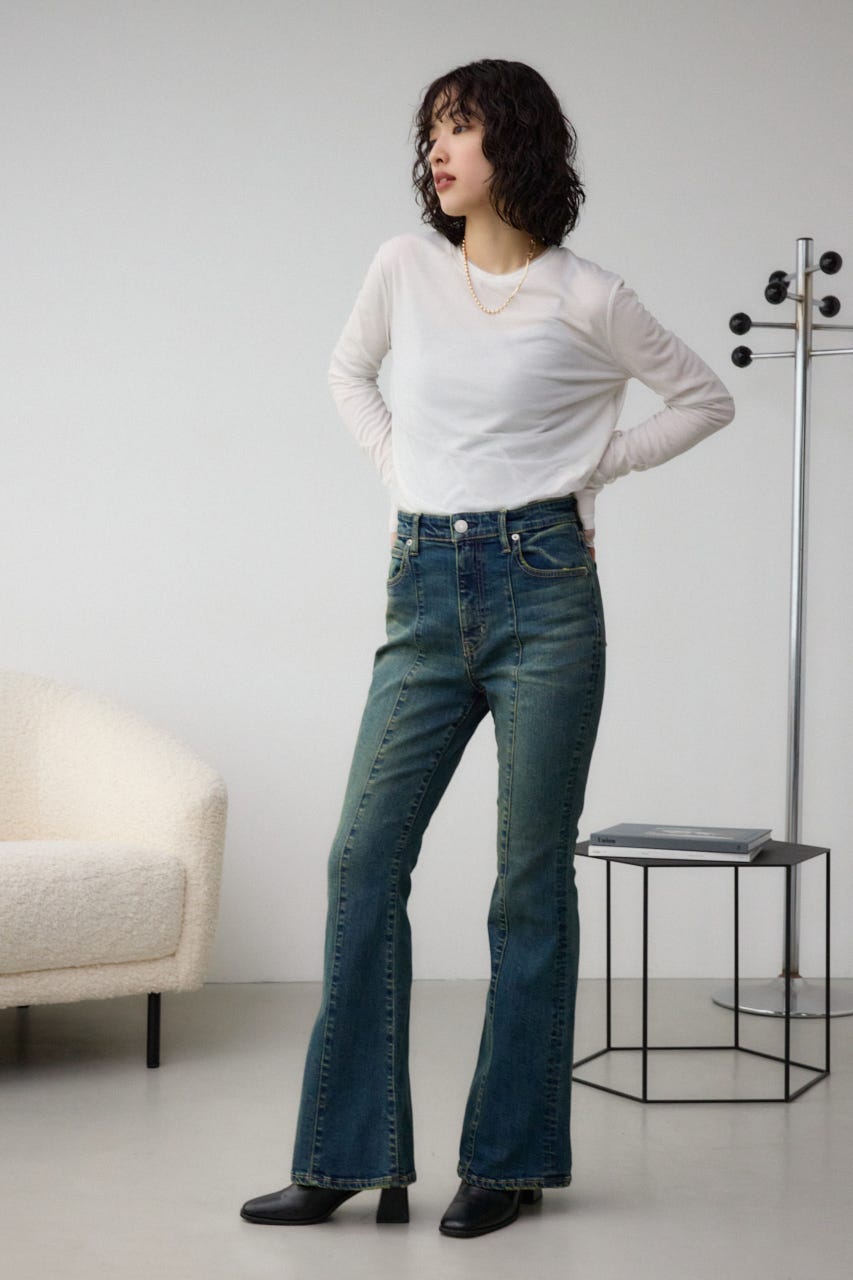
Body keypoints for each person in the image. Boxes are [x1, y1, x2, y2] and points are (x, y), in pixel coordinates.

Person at [240, 58, 735, 1239]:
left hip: (546, 595)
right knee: (363, 859)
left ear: (514, 141)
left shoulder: (588, 296)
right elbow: (346, 373)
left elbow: (703, 398)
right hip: (422, 588)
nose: (437, 150)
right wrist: (402, 471)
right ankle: (346, 1155)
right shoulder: (402, 268)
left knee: (527, 880)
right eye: (430, 132)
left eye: (458, 127)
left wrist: (592, 467)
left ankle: (505, 1161)